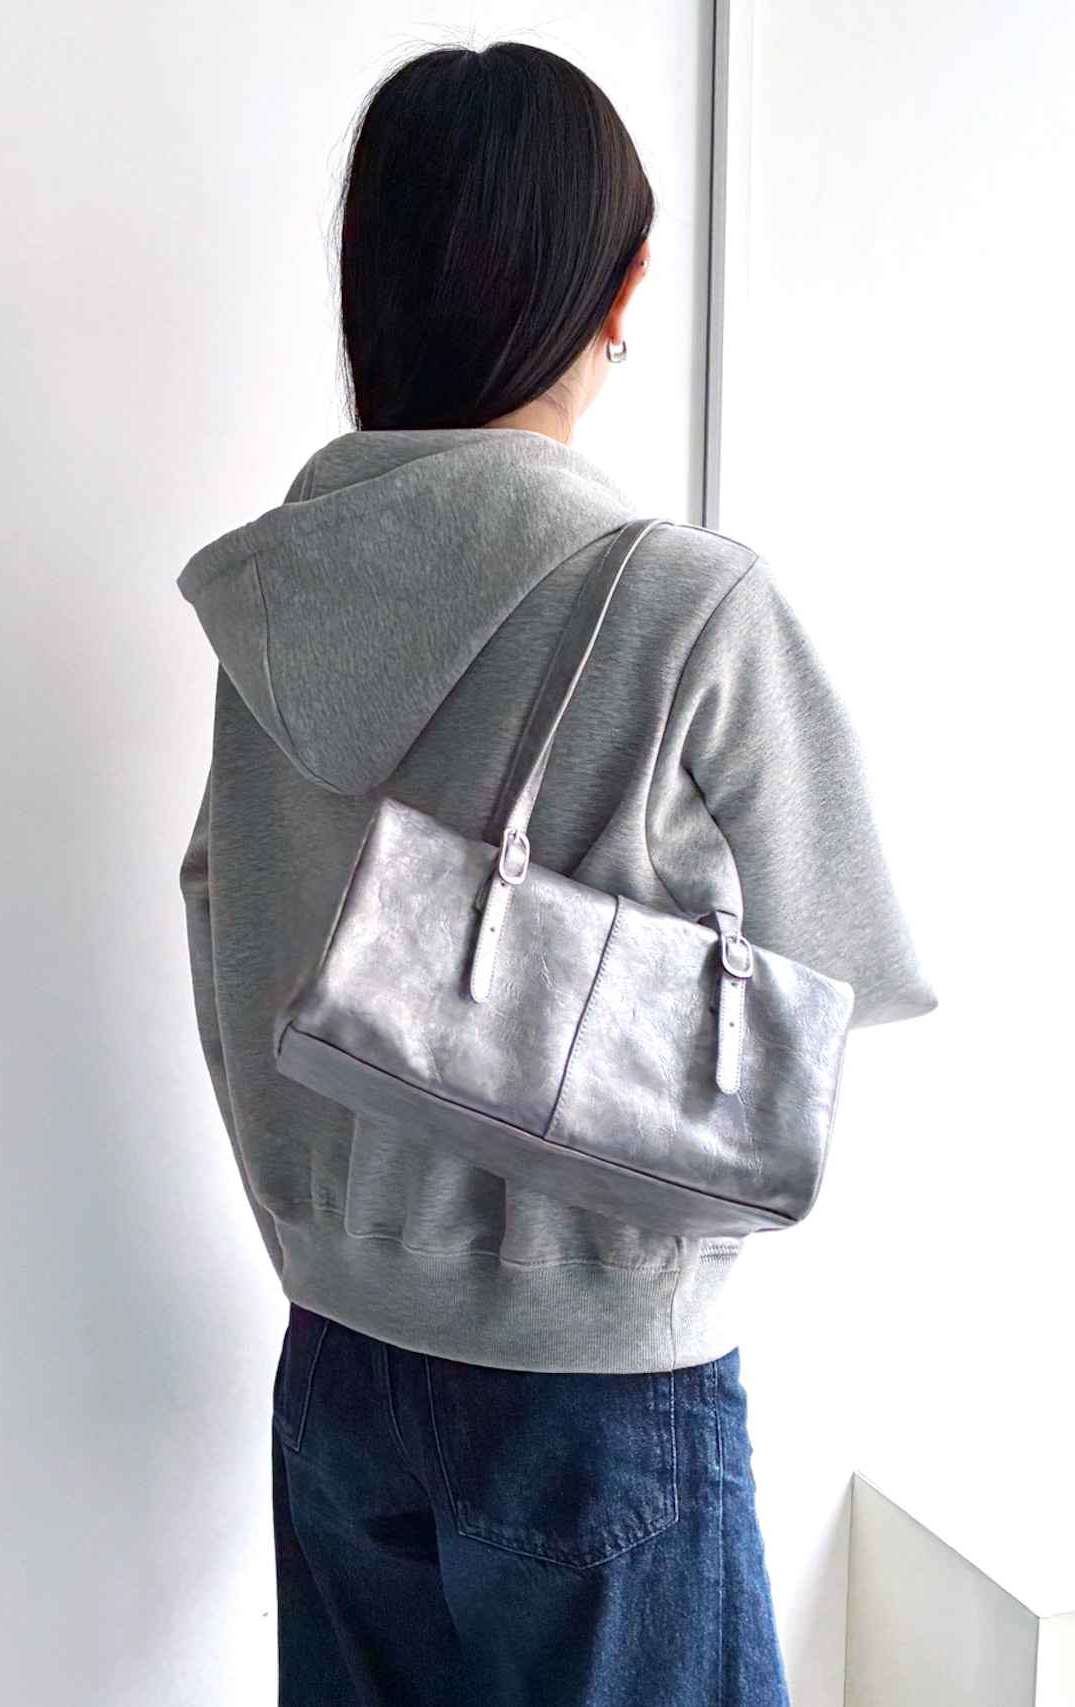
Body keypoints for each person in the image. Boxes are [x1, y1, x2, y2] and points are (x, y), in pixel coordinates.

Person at [177, 41, 936, 1707]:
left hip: (340, 1359)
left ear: (369, 279)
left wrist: (328, 1220)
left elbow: (221, 913)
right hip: (600, 1384)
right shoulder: (689, 605)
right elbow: (850, 964)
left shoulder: (275, 609)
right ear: (624, 288)